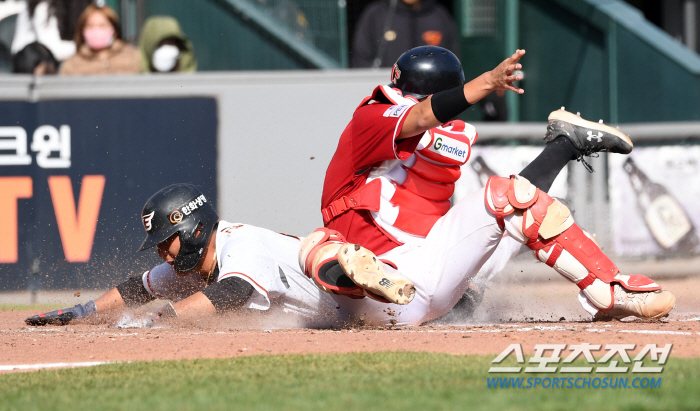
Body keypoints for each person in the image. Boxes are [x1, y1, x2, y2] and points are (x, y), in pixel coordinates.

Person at [298, 45, 677, 326]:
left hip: (428, 271)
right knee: (316, 246)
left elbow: (427, 116)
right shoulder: (372, 118)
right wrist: (487, 83)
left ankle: (610, 290)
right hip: (383, 280)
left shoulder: (438, 144)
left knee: (520, 204)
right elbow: (419, 116)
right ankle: (564, 146)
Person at [26, 184, 337, 327]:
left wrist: (157, 320)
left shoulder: (240, 242)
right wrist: (84, 312)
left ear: (194, 230)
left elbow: (234, 290)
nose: (162, 253)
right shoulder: (198, 265)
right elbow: (139, 288)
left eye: (165, 242)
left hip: (372, 313)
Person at [351, 0, 459, 68]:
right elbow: (361, 58)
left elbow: (452, 58)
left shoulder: (439, 15)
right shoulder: (376, 14)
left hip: (431, 93)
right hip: (389, 91)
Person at [59, 4, 140, 76]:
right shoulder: (72, 65)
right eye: (90, 26)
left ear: (114, 30)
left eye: (102, 25)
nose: (96, 30)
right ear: (82, 30)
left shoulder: (133, 57)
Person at [11, 0, 91, 62]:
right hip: (27, 63)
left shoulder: (58, 6)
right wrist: (84, 47)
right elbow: (53, 49)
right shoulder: (41, 7)